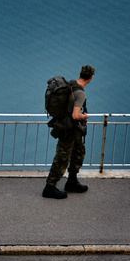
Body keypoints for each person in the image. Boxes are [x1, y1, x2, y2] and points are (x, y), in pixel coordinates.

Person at [43, 64, 95, 200]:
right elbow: (76, 115)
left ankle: (72, 181)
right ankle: (49, 187)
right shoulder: (80, 93)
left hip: (72, 129)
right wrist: (85, 116)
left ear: (80, 74)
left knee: (78, 152)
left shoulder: (71, 84)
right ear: (91, 77)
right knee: (62, 157)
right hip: (69, 128)